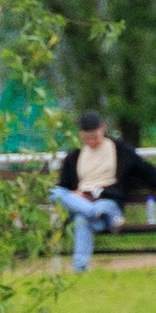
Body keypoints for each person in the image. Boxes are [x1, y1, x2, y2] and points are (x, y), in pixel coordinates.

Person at [53, 112, 156, 272]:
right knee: (57, 194)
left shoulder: (120, 150)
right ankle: (80, 268)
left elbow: (145, 170)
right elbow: (64, 187)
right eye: (87, 138)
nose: (92, 141)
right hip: (84, 202)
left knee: (85, 216)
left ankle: (80, 266)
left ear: (103, 129)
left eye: (95, 136)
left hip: (107, 201)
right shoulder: (74, 156)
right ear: (81, 135)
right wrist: (74, 194)